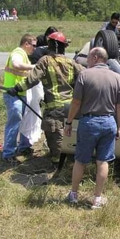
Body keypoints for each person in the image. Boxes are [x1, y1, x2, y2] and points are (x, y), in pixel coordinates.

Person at [7, 32, 84, 169]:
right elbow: (85, 77)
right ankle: (70, 160)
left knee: (55, 136)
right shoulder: (72, 62)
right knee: (70, 133)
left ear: (51, 45)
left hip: (54, 108)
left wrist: (17, 88)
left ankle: (57, 165)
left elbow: (32, 79)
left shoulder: (45, 61)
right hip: (71, 108)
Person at [64, 47, 120, 208]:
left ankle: (73, 194)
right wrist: (118, 127)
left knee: (80, 160)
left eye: (89, 57)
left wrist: (69, 122)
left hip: (89, 122)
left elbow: (76, 102)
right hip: (109, 122)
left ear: (96, 57)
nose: (87, 61)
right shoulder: (117, 77)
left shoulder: (85, 75)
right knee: (103, 161)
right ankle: (97, 199)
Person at [2, 34, 37, 163]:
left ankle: (23, 146)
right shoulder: (18, 52)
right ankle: (8, 154)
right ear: (26, 43)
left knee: (23, 121)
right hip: (12, 94)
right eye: (33, 45)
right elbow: (16, 64)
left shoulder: (25, 57)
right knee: (14, 121)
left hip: (20, 94)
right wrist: (34, 67)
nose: (34, 48)